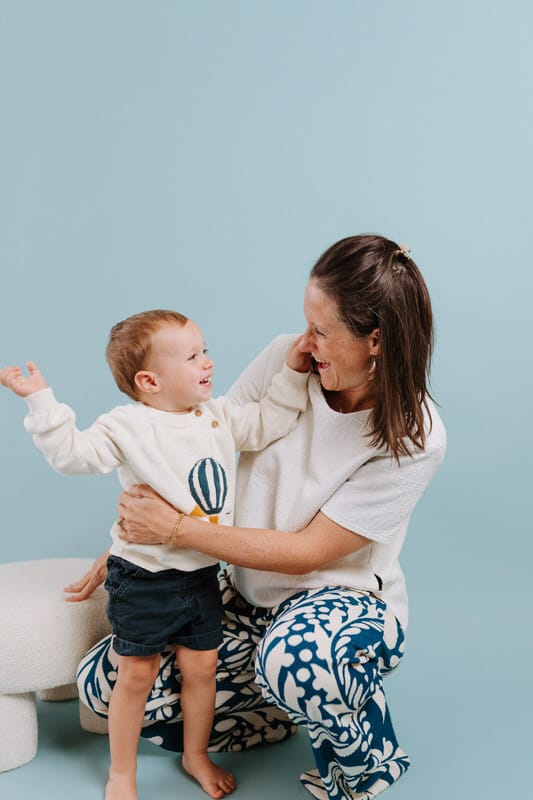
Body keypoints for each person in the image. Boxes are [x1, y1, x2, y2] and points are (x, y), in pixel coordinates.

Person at [65, 234, 446, 800]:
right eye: (306, 323)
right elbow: (203, 445)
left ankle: (366, 760)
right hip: (241, 591)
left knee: (300, 663)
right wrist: (137, 547)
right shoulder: (286, 361)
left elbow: (310, 552)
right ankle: (275, 710)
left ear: (377, 340)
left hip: (338, 600)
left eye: (322, 331)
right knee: (103, 688)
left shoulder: (416, 435)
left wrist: (174, 532)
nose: (306, 342)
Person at [0, 309, 310, 800]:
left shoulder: (217, 417)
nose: (207, 362)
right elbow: (73, 456)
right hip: (144, 578)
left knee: (202, 669)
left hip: (202, 576)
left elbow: (266, 421)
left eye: (204, 350)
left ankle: (195, 754)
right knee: (137, 674)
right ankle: (121, 773)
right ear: (149, 380)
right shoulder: (128, 425)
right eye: (192, 356)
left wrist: (294, 370)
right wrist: (41, 400)